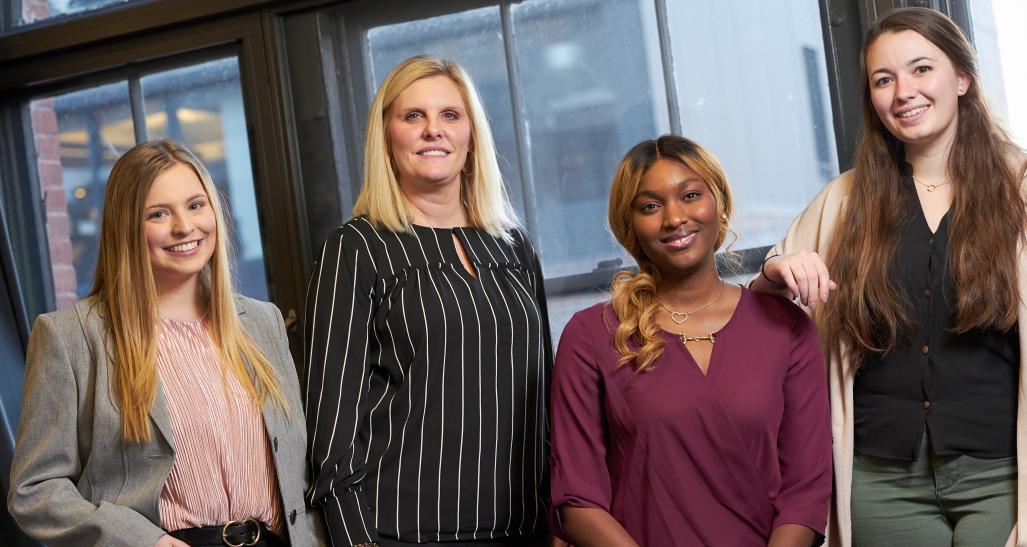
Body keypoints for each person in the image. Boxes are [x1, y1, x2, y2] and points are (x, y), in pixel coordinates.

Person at [752, 7, 1027, 547]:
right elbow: (760, 305)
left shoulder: (1019, 189)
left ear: (963, 78)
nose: (904, 92)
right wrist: (775, 271)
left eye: (921, 69)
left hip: (1001, 476)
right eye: (884, 79)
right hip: (881, 481)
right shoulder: (845, 201)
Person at [7, 140, 318, 546]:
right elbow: (35, 490)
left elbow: (301, 470)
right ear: (126, 227)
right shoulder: (72, 337)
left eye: (195, 205)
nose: (184, 227)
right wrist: (145, 542)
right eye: (158, 213)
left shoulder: (263, 323)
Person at [304, 55, 552, 547]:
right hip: (404, 533)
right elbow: (330, 438)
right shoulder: (355, 249)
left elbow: (544, 402)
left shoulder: (512, 245)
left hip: (526, 528)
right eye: (413, 116)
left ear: (471, 135)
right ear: (387, 135)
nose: (432, 130)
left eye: (450, 116)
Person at [549, 135, 832, 546]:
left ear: (719, 203)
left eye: (691, 195)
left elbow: (805, 492)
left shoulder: (787, 328)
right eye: (650, 206)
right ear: (631, 226)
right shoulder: (591, 335)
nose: (674, 217)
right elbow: (577, 498)